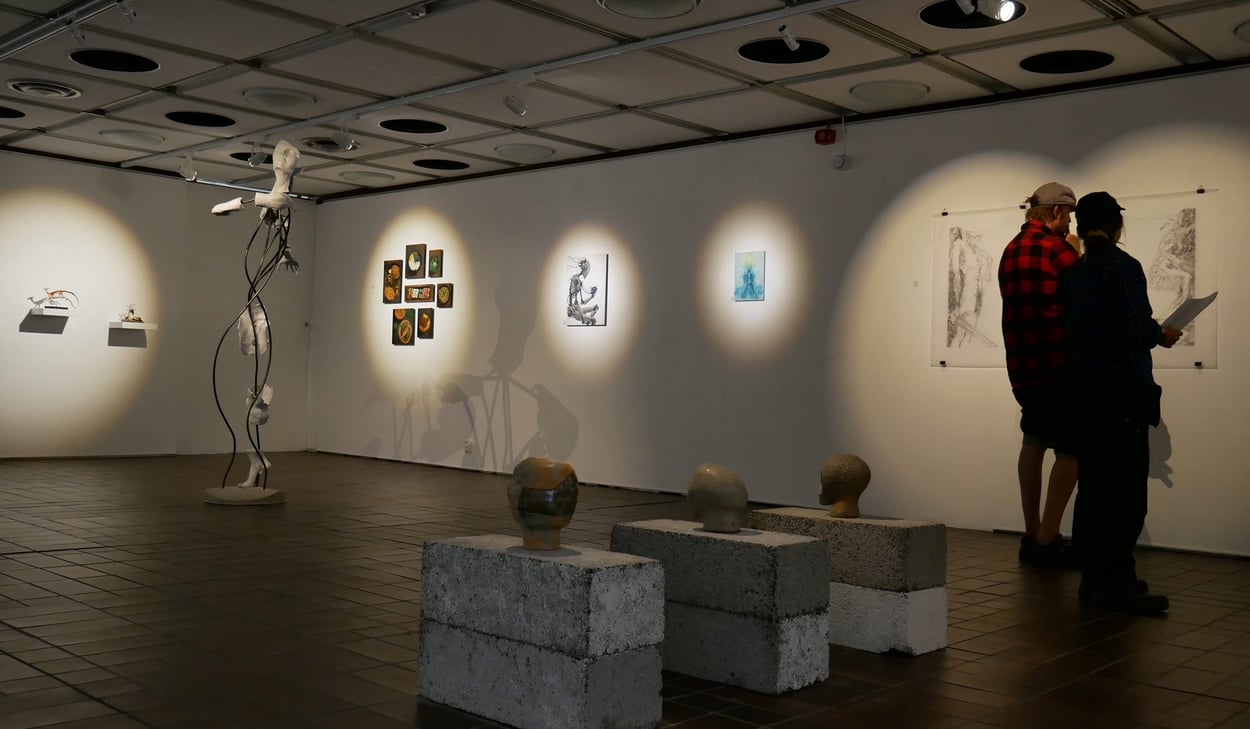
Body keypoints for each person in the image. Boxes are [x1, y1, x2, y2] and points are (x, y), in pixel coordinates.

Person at [1061, 191, 1180, 614]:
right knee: (1127, 495)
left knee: (1094, 490)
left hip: (1086, 395)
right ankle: (1116, 584)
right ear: (1116, 225)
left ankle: (1095, 579)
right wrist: (1162, 334)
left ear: (1080, 227)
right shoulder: (1123, 267)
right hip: (1124, 394)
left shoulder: (1073, 273)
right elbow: (1137, 328)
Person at [998, 182, 1082, 568]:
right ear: (1055, 211)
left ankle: (1031, 531)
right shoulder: (1058, 249)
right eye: (1069, 216)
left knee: (1033, 439)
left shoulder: (1010, 249)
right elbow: (1082, 296)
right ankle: (1049, 536)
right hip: (1060, 365)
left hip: (1022, 367)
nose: (1070, 224)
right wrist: (1077, 253)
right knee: (1071, 448)